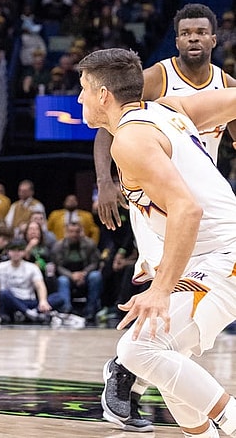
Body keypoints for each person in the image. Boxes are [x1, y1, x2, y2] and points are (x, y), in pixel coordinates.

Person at [78, 47, 236, 438]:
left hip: (224, 256)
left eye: (83, 88)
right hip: (208, 256)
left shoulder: (129, 141)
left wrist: (161, 289)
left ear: (103, 95)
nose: (79, 97)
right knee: (162, 353)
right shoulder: (168, 109)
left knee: (138, 350)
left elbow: (187, 210)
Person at [0, 239, 64, 323]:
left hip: (28, 301)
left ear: (24, 252)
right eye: (13, 250)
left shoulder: (32, 267)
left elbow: (40, 286)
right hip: (10, 302)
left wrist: (43, 301)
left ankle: (31, 313)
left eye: (19, 250)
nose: (16, 253)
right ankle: (29, 313)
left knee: (58, 297)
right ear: (8, 252)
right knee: (4, 293)